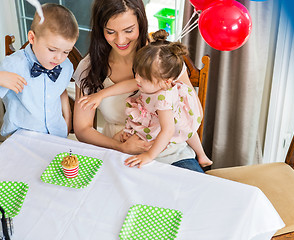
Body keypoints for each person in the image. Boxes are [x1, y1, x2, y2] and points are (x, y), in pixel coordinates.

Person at [73, 0, 205, 172]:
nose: (120, 40)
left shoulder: (162, 59)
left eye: (129, 30)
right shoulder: (90, 67)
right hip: (117, 153)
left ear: (141, 23)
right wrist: (119, 146)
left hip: (171, 155)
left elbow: (194, 112)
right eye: (110, 32)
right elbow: (82, 129)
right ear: (101, 30)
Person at [0, 3, 79, 138]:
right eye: (52, 50)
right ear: (32, 38)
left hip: (57, 134)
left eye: (66, 51)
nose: (58, 58)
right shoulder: (13, 65)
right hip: (21, 137)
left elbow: (60, 90)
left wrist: (68, 117)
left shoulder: (66, 66)